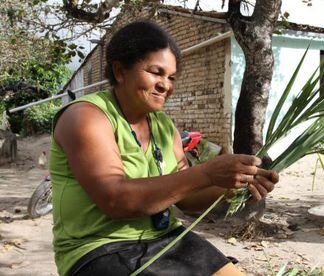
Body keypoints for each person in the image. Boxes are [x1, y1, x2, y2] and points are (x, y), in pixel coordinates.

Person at [50, 20, 279, 276]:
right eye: (156, 72)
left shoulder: (163, 125)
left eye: (171, 77)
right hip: (99, 248)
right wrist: (206, 173)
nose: (165, 85)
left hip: (165, 237)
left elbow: (185, 199)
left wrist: (232, 186)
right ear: (119, 71)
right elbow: (115, 200)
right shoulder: (86, 117)